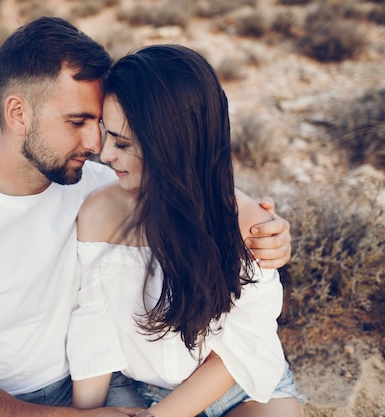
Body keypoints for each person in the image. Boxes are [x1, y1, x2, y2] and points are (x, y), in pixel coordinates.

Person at [0, 17, 293, 417]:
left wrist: (264, 229)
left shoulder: (98, 180)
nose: (97, 145)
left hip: (132, 381)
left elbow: (187, 181)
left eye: (100, 124)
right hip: (17, 403)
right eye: (77, 122)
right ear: (18, 114)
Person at [67, 45, 304, 417]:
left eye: (122, 143)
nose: (106, 154)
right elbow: (93, 330)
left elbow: (240, 346)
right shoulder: (98, 213)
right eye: (107, 135)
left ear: (171, 147)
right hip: (135, 385)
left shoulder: (247, 224)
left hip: (239, 385)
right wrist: (83, 415)